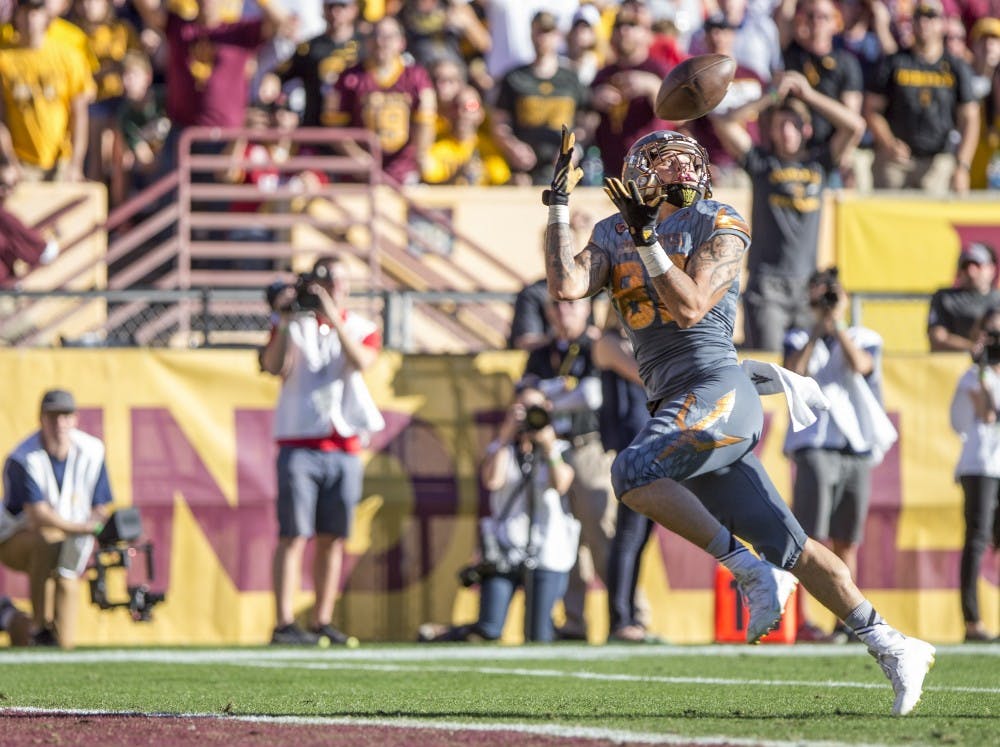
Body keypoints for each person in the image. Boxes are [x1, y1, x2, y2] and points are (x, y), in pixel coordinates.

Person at [541, 123, 935, 714]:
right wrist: (557, 207)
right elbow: (565, 285)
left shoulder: (719, 220)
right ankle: (893, 642)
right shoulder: (612, 230)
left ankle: (747, 570)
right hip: (676, 403)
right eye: (665, 163)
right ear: (641, 172)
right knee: (792, 545)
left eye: (685, 161)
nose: (679, 171)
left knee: (631, 473)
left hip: (717, 386)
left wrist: (648, 237)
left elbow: (691, 304)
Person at [259, 256, 384, 646]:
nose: (335, 288)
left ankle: (322, 618)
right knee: (294, 534)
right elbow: (273, 366)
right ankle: (283, 622)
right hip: (299, 441)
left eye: (340, 281)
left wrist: (332, 315)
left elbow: (360, 361)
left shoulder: (363, 326)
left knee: (334, 536)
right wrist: (283, 319)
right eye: (328, 282)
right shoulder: (293, 325)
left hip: (344, 443)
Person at [711, 70, 866, 352]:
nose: (785, 132)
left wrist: (808, 94)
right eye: (779, 125)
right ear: (770, 131)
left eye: (793, 125)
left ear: (806, 129)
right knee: (767, 368)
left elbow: (855, 126)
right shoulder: (762, 163)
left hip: (808, 287)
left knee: (806, 376)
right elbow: (724, 123)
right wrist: (771, 96)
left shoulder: (820, 162)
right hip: (767, 286)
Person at [782, 268, 896, 643]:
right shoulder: (799, 336)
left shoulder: (863, 337)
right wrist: (818, 327)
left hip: (854, 447)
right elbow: (796, 372)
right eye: (818, 297)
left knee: (847, 539)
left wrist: (837, 323)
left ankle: (845, 620)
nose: (824, 303)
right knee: (809, 540)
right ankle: (802, 620)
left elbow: (862, 366)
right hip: (814, 446)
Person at [417, 384, 580, 643]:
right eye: (522, 408)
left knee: (539, 636)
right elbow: (492, 481)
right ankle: (441, 635)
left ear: (548, 410)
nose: (529, 415)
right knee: (488, 630)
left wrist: (548, 445)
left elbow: (561, 484)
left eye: (534, 409)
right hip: (505, 547)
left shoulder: (559, 448)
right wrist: (505, 436)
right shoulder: (503, 448)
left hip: (548, 549)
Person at [521, 295, 615, 641]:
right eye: (557, 307)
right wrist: (548, 398)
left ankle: (627, 613)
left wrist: (544, 399)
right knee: (567, 542)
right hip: (553, 452)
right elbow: (524, 395)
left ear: (587, 309)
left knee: (601, 534)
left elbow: (591, 395)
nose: (564, 313)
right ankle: (574, 621)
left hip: (587, 448)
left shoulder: (593, 347)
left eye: (572, 305)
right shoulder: (542, 352)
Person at [0, 389, 113, 649]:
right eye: (53, 416)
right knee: (47, 540)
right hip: (13, 538)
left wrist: (89, 526)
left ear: (75, 419)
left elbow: (101, 505)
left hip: (69, 536)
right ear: (41, 419)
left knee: (67, 578)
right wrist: (83, 528)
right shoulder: (22, 457)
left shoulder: (92, 450)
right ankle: (39, 625)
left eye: (65, 415)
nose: (59, 423)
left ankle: (16, 620)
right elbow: (38, 516)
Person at [862, 0, 979, 195]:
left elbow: (971, 118)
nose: (924, 22)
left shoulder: (956, 67)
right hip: (896, 161)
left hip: (937, 162)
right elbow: (872, 110)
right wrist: (889, 143)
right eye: (918, 16)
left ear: (943, 23)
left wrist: (962, 166)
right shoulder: (895, 62)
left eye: (931, 16)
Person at [593, 315, 658, 643]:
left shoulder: (640, 344)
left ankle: (629, 614)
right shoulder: (608, 343)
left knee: (641, 535)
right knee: (629, 534)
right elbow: (648, 376)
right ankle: (619, 619)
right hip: (632, 447)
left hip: (653, 445)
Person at [948, 305, 1000, 643]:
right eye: (991, 334)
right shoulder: (973, 375)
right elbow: (987, 414)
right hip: (980, 466)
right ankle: (973, 621)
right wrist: (983, 366)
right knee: (977, 539)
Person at [0, 0, 95, 182]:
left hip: (61, 162)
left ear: (47, 17)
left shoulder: (69, 57)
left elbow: (79, 115)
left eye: (36, 12)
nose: (30, 18)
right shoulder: (4, 59)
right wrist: (8, 161)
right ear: (16, 16)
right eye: (25, 12)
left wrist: (76, 164)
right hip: (20, 163)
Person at [927, 241, 1000, 354]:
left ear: (991, 268)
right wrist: (973, 347)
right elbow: (937, 337)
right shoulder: (946, 298)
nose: (971, 272)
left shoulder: (997, 299)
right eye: (965, 266)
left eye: (977, 265)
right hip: (958, 367)